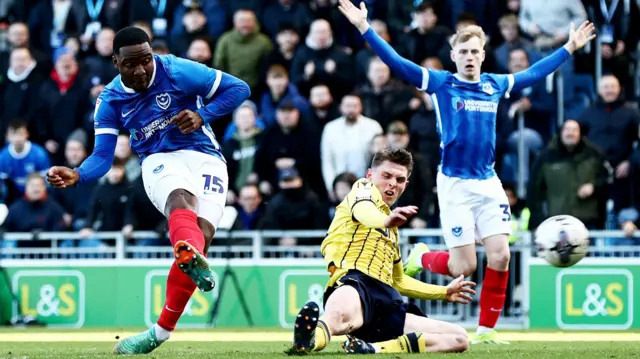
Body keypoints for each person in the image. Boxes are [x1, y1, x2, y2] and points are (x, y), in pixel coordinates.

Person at [337, 0, 596, 344]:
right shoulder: (442, 83)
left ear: (483, 55)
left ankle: (487, 332)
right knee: (464, 267)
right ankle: (421, 257)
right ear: (454, 55)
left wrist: (569, 47)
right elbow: (397, 64)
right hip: (455, 184)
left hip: (488, 181)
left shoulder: (494, 84)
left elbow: (534, 73)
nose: (470, 56)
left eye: (476, 51)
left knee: (501, 255)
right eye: (464, 51)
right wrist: (364, 28)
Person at [45, 27, 250, 354]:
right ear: (115, 62)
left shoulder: (178, 70)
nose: (141, 70)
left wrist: (203, 114)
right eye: (131, 64)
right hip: (158, 160)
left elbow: (239, 88)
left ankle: (160, 332)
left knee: (204, 234)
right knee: (179, 199)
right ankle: (187, 249)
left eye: (146, 60)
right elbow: (102, 156)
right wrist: (78, 174)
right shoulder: (110, 100)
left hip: (208, 158)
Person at [287, 149, 475, 355]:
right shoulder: (361, 191)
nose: (393, 183)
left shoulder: (392, 231)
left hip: (387, 301)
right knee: (337, 317)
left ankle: (372, 348)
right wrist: (385, 220)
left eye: (400, 179)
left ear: (406, 185)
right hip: (355, 282)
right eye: (386, 176)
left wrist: (443, 292)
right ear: (369, 175)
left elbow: (398, 281)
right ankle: (308, 341)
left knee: (459, 338)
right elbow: (364, 211)